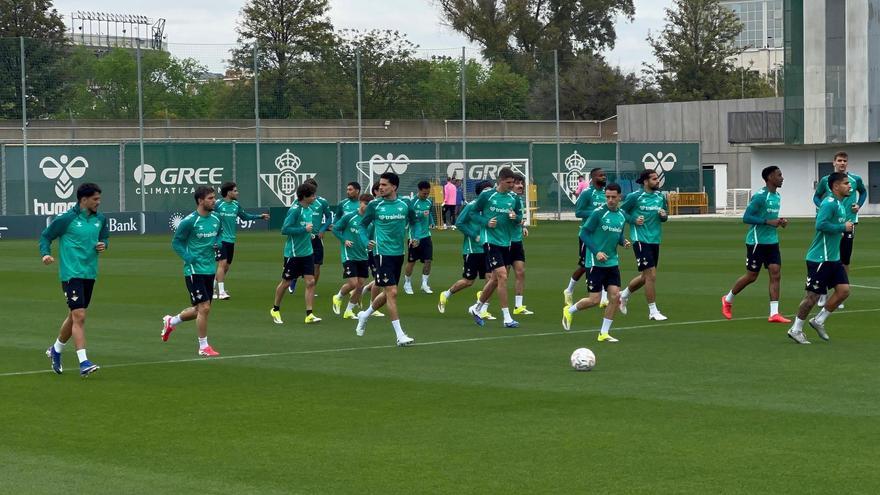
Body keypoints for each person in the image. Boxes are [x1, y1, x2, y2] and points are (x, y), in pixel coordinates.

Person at [40, 183, 108, 377]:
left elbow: (104, 236)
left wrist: (104, 244)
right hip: (71, 274)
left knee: (73, 315)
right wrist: (45, 254)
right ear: (83, 199)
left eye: (99, 199)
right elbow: (45, 237)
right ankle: (83, 362)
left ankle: (56, 349)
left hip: (90, 273)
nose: (98, 202)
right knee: (79, 316)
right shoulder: (66, 219)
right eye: (95, 199)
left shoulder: (100, 219)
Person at [787, 172, 853, 344]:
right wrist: (843, 227)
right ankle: (796, 329)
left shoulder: (840, 204)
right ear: (836, 186)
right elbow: (820, 224)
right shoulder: (829, 203)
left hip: (833, 259)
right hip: (820, 259)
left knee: (844, 291)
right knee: (811, 298)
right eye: (846, 183)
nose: (849, 186)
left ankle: (819, 320)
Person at [562, 183, 631, 342]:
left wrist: (624, 242)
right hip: (595, 262)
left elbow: (618, 234)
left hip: (612, 262)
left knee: (614, 296)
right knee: (595, 300)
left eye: (614, 197)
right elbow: (584, 234)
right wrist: (596, 251)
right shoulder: (598, 213)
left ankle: (603, 333)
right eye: (608, 197)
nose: (610, 200)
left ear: (620, 197)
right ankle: (570, 311)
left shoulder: (621, 215)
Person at [354, 172, 418, 346]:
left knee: (387, 293)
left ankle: (365, 315)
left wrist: (416, 235)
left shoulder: (405, 204)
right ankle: (400, 335)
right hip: (381, 254)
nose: (380, 188)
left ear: (394, 187)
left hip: (399, 253)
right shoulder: (375, 205)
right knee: (393, 292)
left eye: (384, 185)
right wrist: (366, 241)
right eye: (379, 185)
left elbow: (415, 221)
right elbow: (361, 225)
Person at [721, 166, 790, 323]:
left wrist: (780, 222)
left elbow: (771, 218)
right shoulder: (760, 196)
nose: (782, 178)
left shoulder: (777, 196)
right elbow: (746, 218)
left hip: (772, 241)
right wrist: (767, 222)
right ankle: (728, 299)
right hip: (757, 242)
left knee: (775, 273)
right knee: (752, 276)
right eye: (779, 175)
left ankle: (774, 313)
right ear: (770, 177)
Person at [161, 186, 223, 357]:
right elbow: (177, 243)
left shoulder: (217, 219)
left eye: (214, 197)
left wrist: (218, 243)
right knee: (205, 308)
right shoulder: (189, 221)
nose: (214, 201)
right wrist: (188, 258)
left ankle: (171, 321)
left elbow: (220, 234)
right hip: (194, 270)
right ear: (200, 201)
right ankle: (203, 346)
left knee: (199, 310)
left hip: (210, 268)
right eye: (210, 198)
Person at [465, 167, 523, 328]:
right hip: (490, 240)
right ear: (500, 181)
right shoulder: (487, 195)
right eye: (509, 182)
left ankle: (476, 308)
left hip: (506, 241)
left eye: (513, 182)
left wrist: (515, 217)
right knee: (503, 276)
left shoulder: (514, 198)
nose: (512, 185)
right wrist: (486, 222)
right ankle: (507, 318)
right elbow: (473, 213)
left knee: (496, 279)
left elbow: (519, 217)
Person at [812, 151, 867, 308]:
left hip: (849, 223)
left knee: (844, 258)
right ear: (834, 162)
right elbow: (816, 196)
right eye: (839, 160)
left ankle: (839, 294)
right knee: (827, 256)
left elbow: (863, 192)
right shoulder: (826, 180)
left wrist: (859, 205)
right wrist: (821, 206)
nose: (842, 163)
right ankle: (822, 293)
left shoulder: (855, 179)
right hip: (831, 224)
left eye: (844, 161)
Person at [618, 169, 669, 321]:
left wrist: (664, 215)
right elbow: (621, 212)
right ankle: (653, 311)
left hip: (655, 239)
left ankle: (624, 295)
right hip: (640, 239)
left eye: (657, 178)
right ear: (646, 181)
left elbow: (665, 216)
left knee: (645, 277)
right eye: (654, 179)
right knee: (651, 276)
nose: (657, 181)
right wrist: (633, 219)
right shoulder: (635, 197)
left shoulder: (660, 196)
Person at [437, 180, 493, 313]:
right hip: (472, 249)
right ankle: (446, 294)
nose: (489, 193)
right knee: (468, 281)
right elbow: (459, 223)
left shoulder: (490, 207)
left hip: (488, 247)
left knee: (490, 277)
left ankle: (482, 308)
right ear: (480, 193)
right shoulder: (471, 206)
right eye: (486, 190)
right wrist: (474, 235)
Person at [270, 182, 322, 325]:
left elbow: (307, 228)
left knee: (310, 282)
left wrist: (310, 234)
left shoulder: (309, 210)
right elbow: (285, 229)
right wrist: (303, 230)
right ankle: (275, 309)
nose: (314, 197)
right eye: (312, 195)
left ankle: (309, 314)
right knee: (286, 283)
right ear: (304, 196)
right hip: (293, 253)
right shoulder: (295, 210)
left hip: (307, 252)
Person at [213, 181, 269, 300]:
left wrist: (260, 216)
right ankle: (221, 292)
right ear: (228, 192)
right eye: (235, 190)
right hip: (220, 239)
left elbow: (245, 216)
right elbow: (209, 217)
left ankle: (211, 288)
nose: (237, 193)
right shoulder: (217, 204)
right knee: (222, 264)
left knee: (226, 267)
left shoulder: (235, 205)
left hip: (231, 240)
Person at [563, 168, 609, 307]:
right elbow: (578, 212)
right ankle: (569, 289)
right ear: (593, 177)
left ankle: (604, 298)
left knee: (605, 261)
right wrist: (595, 213)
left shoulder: (606, 194)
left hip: (603, 235)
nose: (604, 177)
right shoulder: (587, 193)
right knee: (584, 266)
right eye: (601, 175)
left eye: (605, 175)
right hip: (587, 234)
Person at [331, 193, 372, 319]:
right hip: (349, 254)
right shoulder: (349, 216)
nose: (367, 207)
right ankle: (338, 297)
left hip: (363, 255)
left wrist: (370, 244)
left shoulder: (371, 220)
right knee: (354, 283)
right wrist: (345, 240)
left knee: (360, 285)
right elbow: (335, 229)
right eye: (366, 204)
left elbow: (370, 236)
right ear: (360, 203)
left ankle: (349, 310)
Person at [289, 178, 332, 294]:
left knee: (317, 265)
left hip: (316, 238)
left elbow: (329, 218)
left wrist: (323, 229)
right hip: (303, 237)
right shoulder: (297, 203)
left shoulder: (322, 202)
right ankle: (294, 278)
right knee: (298, 262)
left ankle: (312, 288)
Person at [403, 180, 435, 294]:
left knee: (428, 261)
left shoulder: (429, 202)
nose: (426, 195)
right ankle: (407, 283)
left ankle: (424, 284)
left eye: (427, 193)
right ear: (419, 191)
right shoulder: (412, 203)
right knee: (412, 261)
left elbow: (429, 213)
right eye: (424, 193)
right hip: (414, 237)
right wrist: (411, 237)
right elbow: (409, 220)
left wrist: (431, 222)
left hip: (426, 236)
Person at [510, 173, 533, 315]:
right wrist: (519, 220)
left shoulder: (519, 200)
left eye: (521, 183)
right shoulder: (507, 200)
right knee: (498, 278)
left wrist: (522, 226)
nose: (521, 186)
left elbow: (516, 218)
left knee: (520, 272)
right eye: (517, 183)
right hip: (504, 242)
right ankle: (480, 305)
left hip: (517, 241)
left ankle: (518, 306)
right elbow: (511, 217)